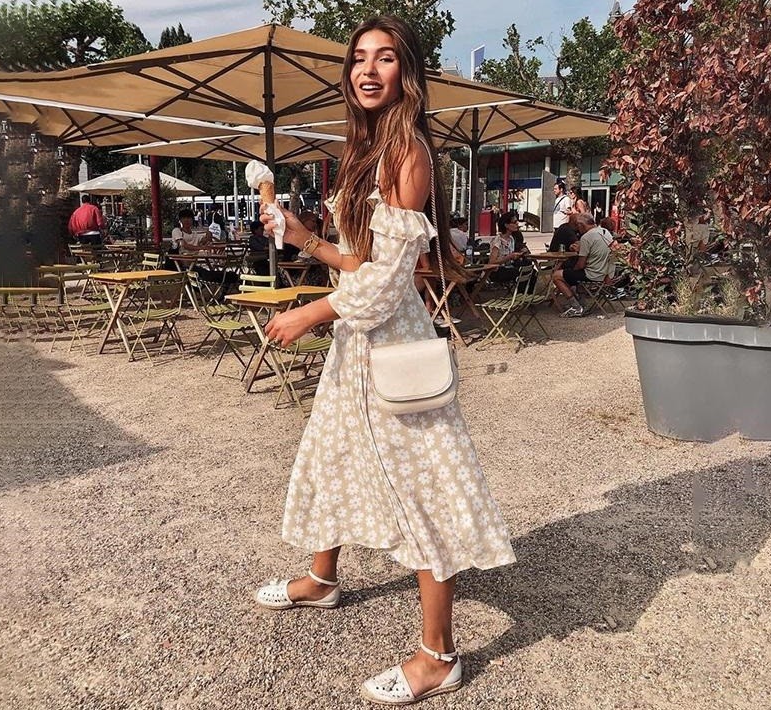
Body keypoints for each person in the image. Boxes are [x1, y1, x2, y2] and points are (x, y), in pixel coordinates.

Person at [254, 16, 515, 705]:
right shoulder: (365, 149)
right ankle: (321, 580)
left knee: (423, 488)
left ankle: (438, 656)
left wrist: (308, 313)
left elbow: (388, 284)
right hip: (357, 345)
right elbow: (357, 262)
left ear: (408, 73)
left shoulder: (409, 153)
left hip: (392, 348)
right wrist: (304, 238)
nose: (367, 70)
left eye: (385, 58)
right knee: (331, 453)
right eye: (358, 59)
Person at [552, 213, 616, 317]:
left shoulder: (586, 237)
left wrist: (571, 271)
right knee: (571, 275)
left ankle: (576, 307)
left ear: (581, 225)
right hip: (605, 273)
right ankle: (582, 303)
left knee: (556, 275)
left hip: (592, 275)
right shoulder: (605, 232)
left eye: (578, 226)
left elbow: (581, 265)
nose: (577, 229)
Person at [488, 210, 532, 286]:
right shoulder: (497, 240)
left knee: (531, 271)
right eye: (514, 222)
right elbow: (492, 261)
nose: (517, 224)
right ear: (506, 225)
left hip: (509, 267)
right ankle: (520, 292)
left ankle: (528, 292)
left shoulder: (511, 239)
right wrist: (509, 257)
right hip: (498, 270)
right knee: (520, 272)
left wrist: (520, 254)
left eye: (517, 222)